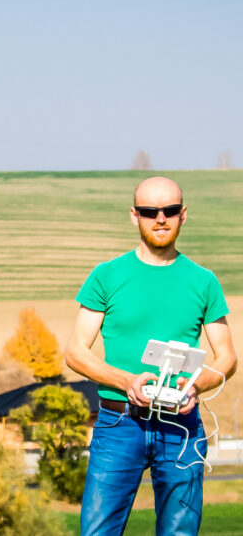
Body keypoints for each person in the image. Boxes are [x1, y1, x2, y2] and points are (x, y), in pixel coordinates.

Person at [64, 176, 237, 536]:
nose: (160, 218)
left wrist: (196, 387)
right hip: (118, 425)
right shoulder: (107, 276)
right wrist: (125, 381)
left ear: (183, 215)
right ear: (134, 216)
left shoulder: (204, 281)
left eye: (170, 210)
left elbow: (227, 357)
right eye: (149, 211)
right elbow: (76, 352)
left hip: (181, 428)